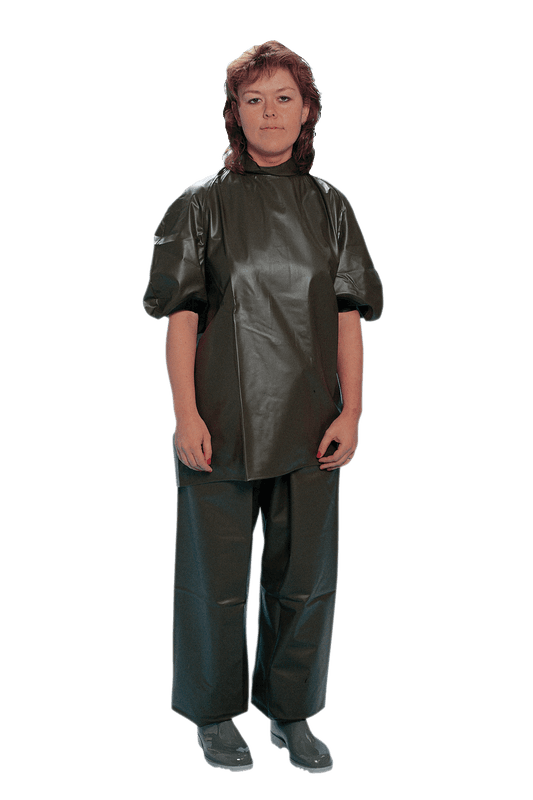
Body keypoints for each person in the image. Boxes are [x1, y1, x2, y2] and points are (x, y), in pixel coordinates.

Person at [142, 40, 384, 774]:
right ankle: (214, 713)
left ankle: (291, 710)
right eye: (254, 99)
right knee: (212, 581)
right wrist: (186, 414)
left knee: (304, 580)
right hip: (221, 423)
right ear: (234, 113)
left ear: (307, 111)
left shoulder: (330, 208)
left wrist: (351, 412)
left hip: (311, 426)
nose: (270, 113)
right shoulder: (200, 206)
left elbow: (347, 315)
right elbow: (181, 316)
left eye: (284, 98)